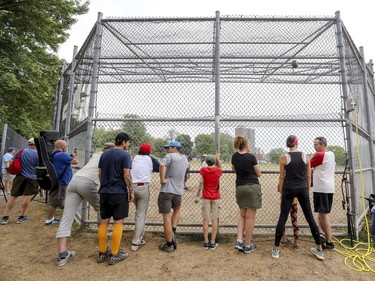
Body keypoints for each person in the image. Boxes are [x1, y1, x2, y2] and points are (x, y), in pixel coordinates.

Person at [55, 142, 115, 267]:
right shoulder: (110, 157)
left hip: (75, 180)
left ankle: (62, 254)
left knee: (67, 217)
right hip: (87, 183)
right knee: (103, 211)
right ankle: (102, 244)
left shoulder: (97, 154)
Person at [272, 135, 324, 260]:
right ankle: (319, 249)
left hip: (288, 189)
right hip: (302, 188)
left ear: (288, 144)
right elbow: (308, 176)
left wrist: (281, 190)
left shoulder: (284, 157)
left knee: (283, 217)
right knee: (310, 218)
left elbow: (281, 177)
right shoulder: (305, 157)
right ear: (296, 143)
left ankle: (276, 249)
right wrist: (306, 190)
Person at [97, 132, 134, 265]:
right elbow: (126, 175)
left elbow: (100, 174)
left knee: (104, 222)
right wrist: (131, 191)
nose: (128, 144)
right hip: (118, 192)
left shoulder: (104, 154)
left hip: (105, 191)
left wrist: (106, 185)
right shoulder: (125, 155)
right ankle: (114, 253)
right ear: (123, 142)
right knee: (118, 222)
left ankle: (102, 252)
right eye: (127, 142)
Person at [231, 136, 261, 254]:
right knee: (250, 217)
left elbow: (233, 169)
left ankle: (239, 241)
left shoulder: (234, 156)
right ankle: (247, 245)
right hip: (252, 186)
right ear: (245, 145)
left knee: (242, 215)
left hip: (240, 186)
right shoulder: (251, 157)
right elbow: (258, 173)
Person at [158, 140, 189, 252]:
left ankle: (169, 243)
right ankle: (172, 233)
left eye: (169, 147)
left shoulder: (170, 156)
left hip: (166, 190)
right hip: (178, 191)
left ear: (175, 148)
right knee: (177, 209)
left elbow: (162, 165)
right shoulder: (185, 158)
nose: (167, 150)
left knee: (166, 216)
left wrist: (162, 179)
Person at [1, 138, 38, 224]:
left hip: (20, 176)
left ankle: (5, 217)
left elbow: (11, 162)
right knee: (27, 197)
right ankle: (22, 216)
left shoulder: (21, 151)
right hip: (32, 177)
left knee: (13, 196)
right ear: (37, 144)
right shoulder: (38, 154)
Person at [130, 143, 160, 251]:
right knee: (141, 213)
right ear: (149, 152)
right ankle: (136, 241)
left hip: (131, 187)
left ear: (139, 151)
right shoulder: (150, 159)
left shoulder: (134, 158)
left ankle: (137, 235)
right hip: (143, 188)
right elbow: (158, 167)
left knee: (138, 212)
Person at [310, 136, 336, 251]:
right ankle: (320, 235)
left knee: (324, 214)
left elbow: (307, 165)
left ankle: (329, 242)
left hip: (321, 188)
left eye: (316, 144)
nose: (314, 146)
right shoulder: (331, 154)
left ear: (322, 145)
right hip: (329, 188)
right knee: (321, 213)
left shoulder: (319, 155)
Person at [45, 139, 78, 225]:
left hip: (57, 180)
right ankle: (49, 220)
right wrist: (74, 156)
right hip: (62, 181)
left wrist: (70, 156)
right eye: (66, 146)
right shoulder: (62, 154)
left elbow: (62, 161)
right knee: (55, 201)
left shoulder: (53, 153)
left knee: (56, 199)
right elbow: (75, 162)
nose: (66, 147)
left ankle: (51, 218)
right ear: (62, 147)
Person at [196, 152, 222, 250]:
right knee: (214, 219)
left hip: (206, 196)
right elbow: (220, 167)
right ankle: (213, 242)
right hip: (216, 196)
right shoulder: (217, 171)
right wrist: (218, 158)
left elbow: (203, 172)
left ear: (206, 162)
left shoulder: (203, 170)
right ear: (214, 162)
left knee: (205, 219)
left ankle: (206, 241)